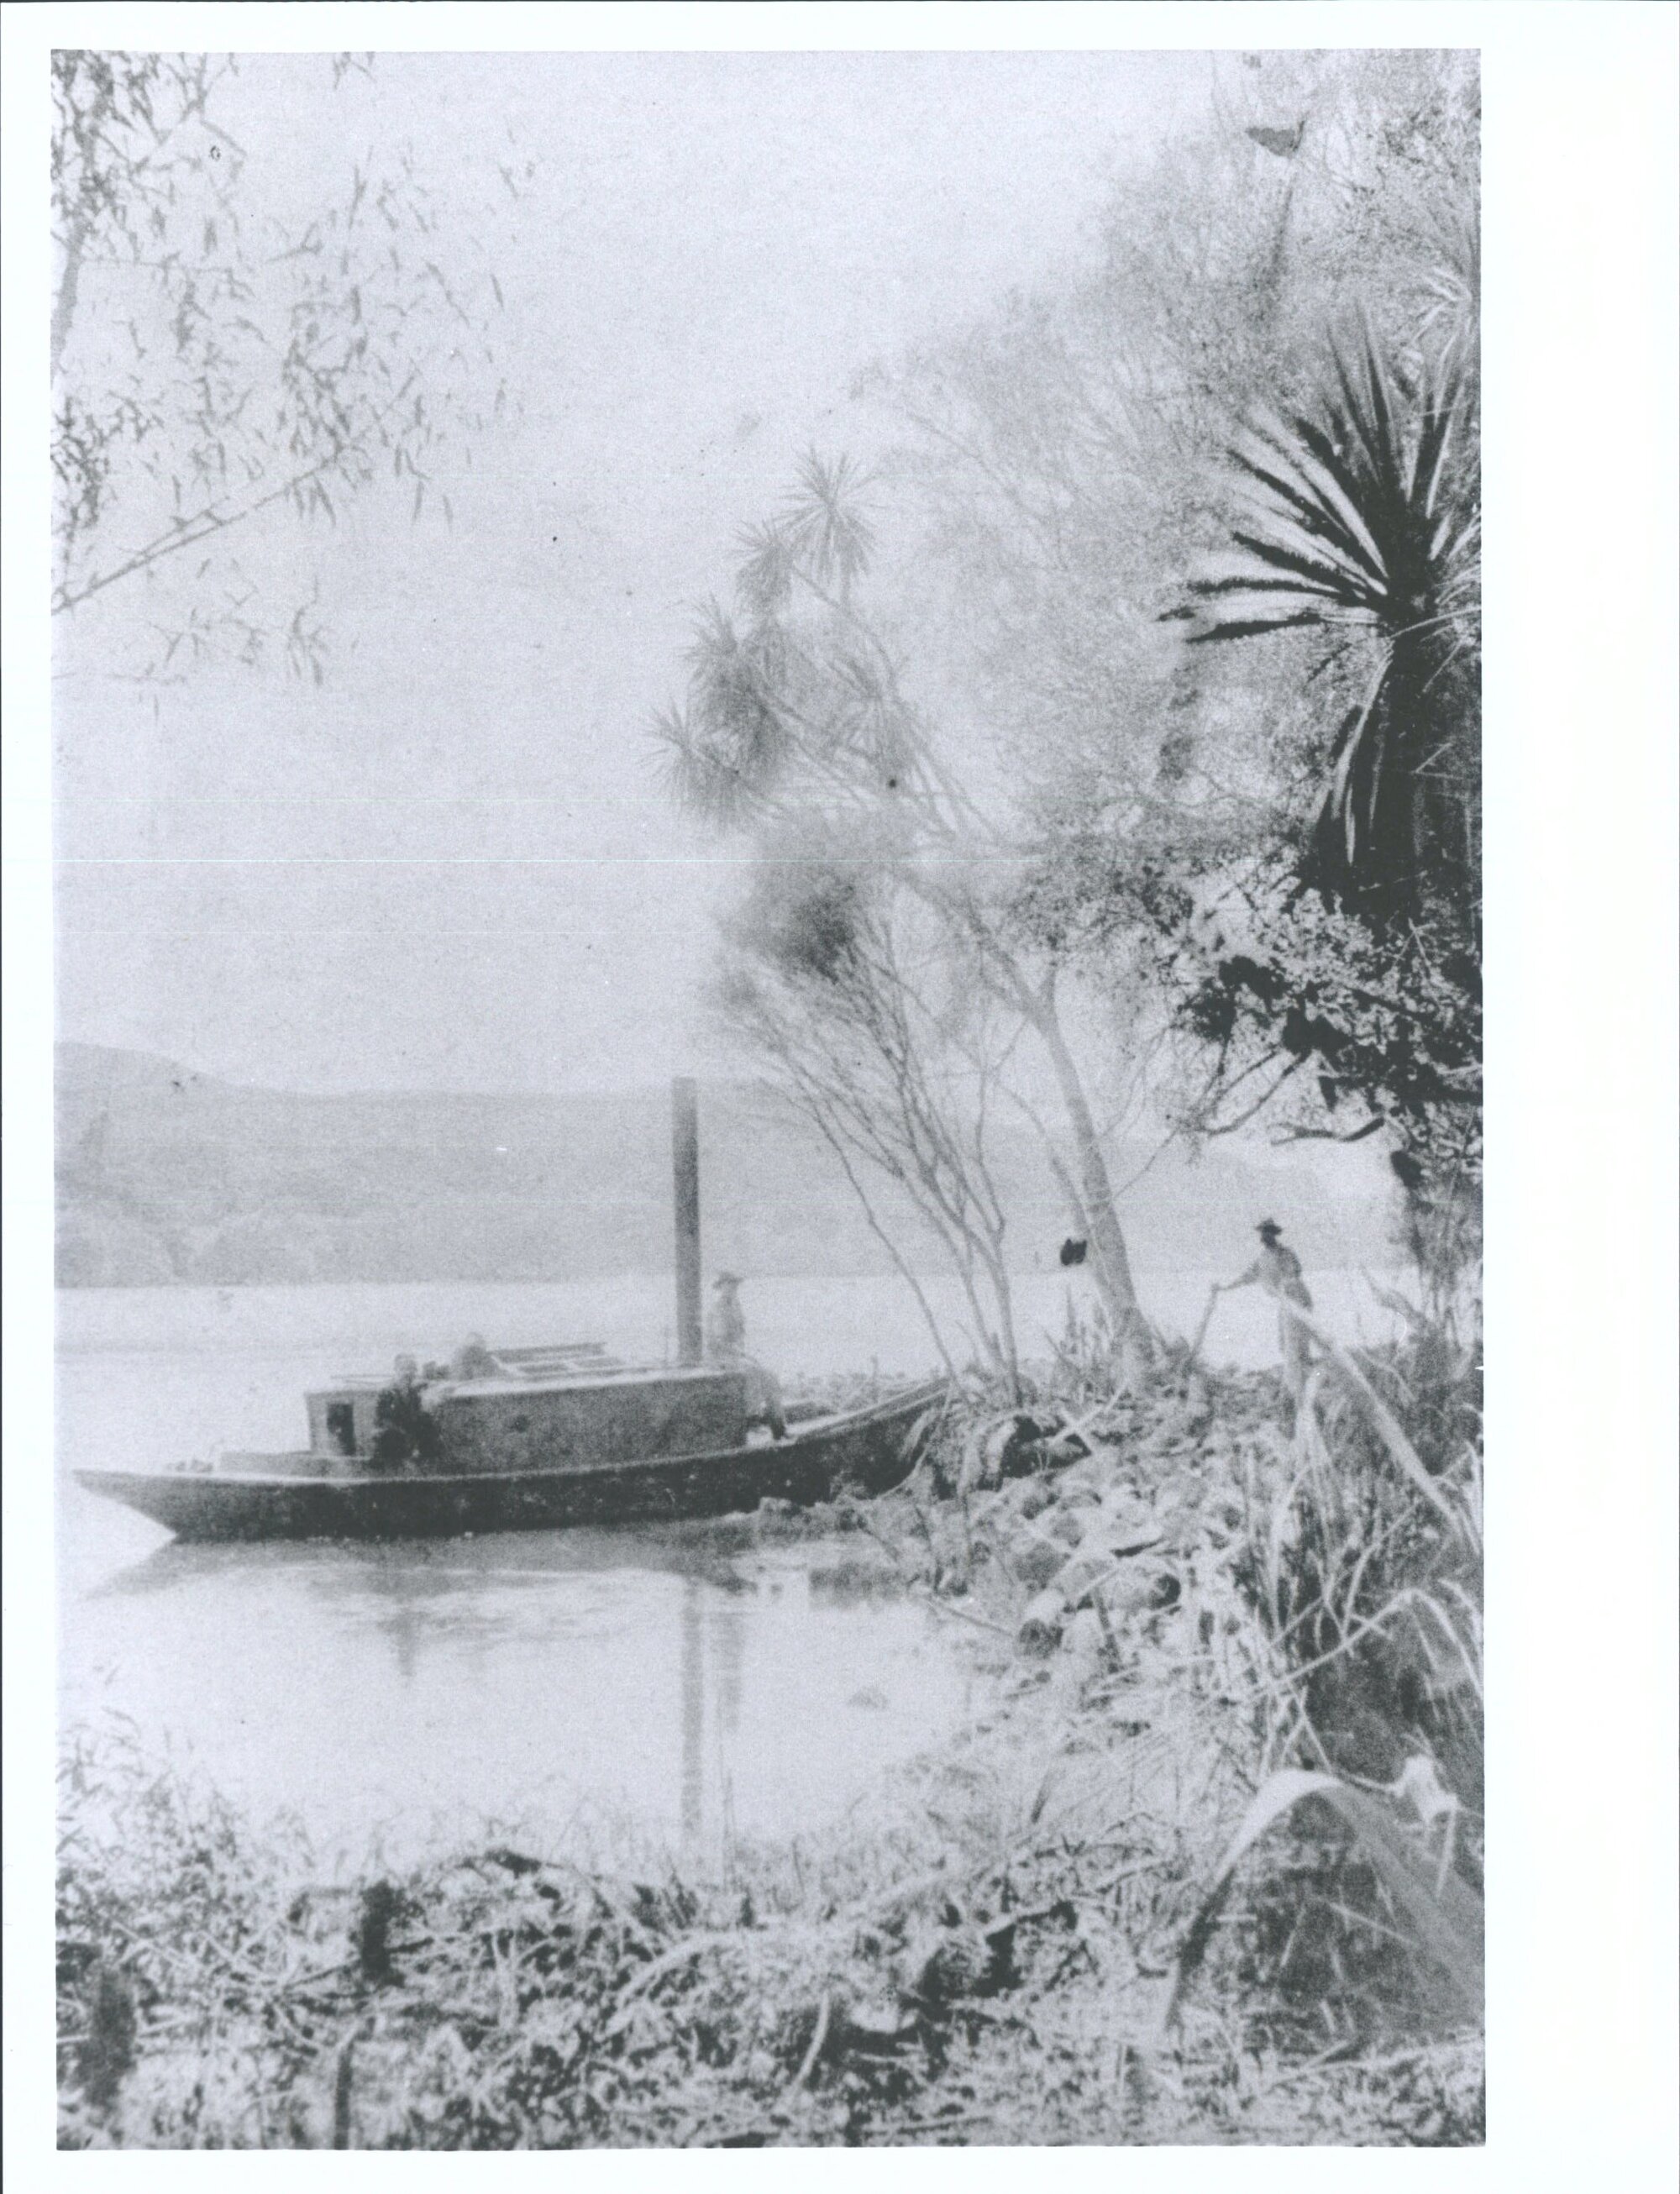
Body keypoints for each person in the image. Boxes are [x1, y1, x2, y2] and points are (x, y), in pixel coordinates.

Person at [1215, 1220, 1315, 1401]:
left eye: (1267, 1233)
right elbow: (1247, 1276)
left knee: (1296, 1345)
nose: (1264, 1237)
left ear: (1274, 1235)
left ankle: (1301, 1390)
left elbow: (1294, 1273)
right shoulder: (1262, 1259)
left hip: (1298, 1301)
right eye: (1262, 1233)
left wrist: (1287, 1286)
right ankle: (1296, 1387)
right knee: (1285, 1344)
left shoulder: (1286, 1253)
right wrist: (1225, 1288)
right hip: (1286, 1303)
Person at [705, 1272, 786, 1439]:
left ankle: (779, 1427)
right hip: (719, 1357)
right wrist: (740, 1353)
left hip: (735, 1355)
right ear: (721, 1287)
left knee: (770, 1377)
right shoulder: (717, 1309)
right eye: (729, 1285)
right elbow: (718, 1340)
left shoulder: (735, 1306)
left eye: (734, 1285)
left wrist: (743, 1353)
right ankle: (752, 1418)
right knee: (752, 1372)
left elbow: (740, 1335)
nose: (733, 1288)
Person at [372, 1354, 439, 1470]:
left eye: (412, 1369)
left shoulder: (414, 1392)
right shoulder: (386, 1392)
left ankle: (429, 1465)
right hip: (390, 1437)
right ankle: (396, 1468)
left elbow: (417, 1415)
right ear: (396, 1370)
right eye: (404, 1369)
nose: (408, 1373)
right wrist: (408, 1438)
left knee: (428, 1422)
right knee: (391, 1436)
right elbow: (384, 1421)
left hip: (407, 1435)